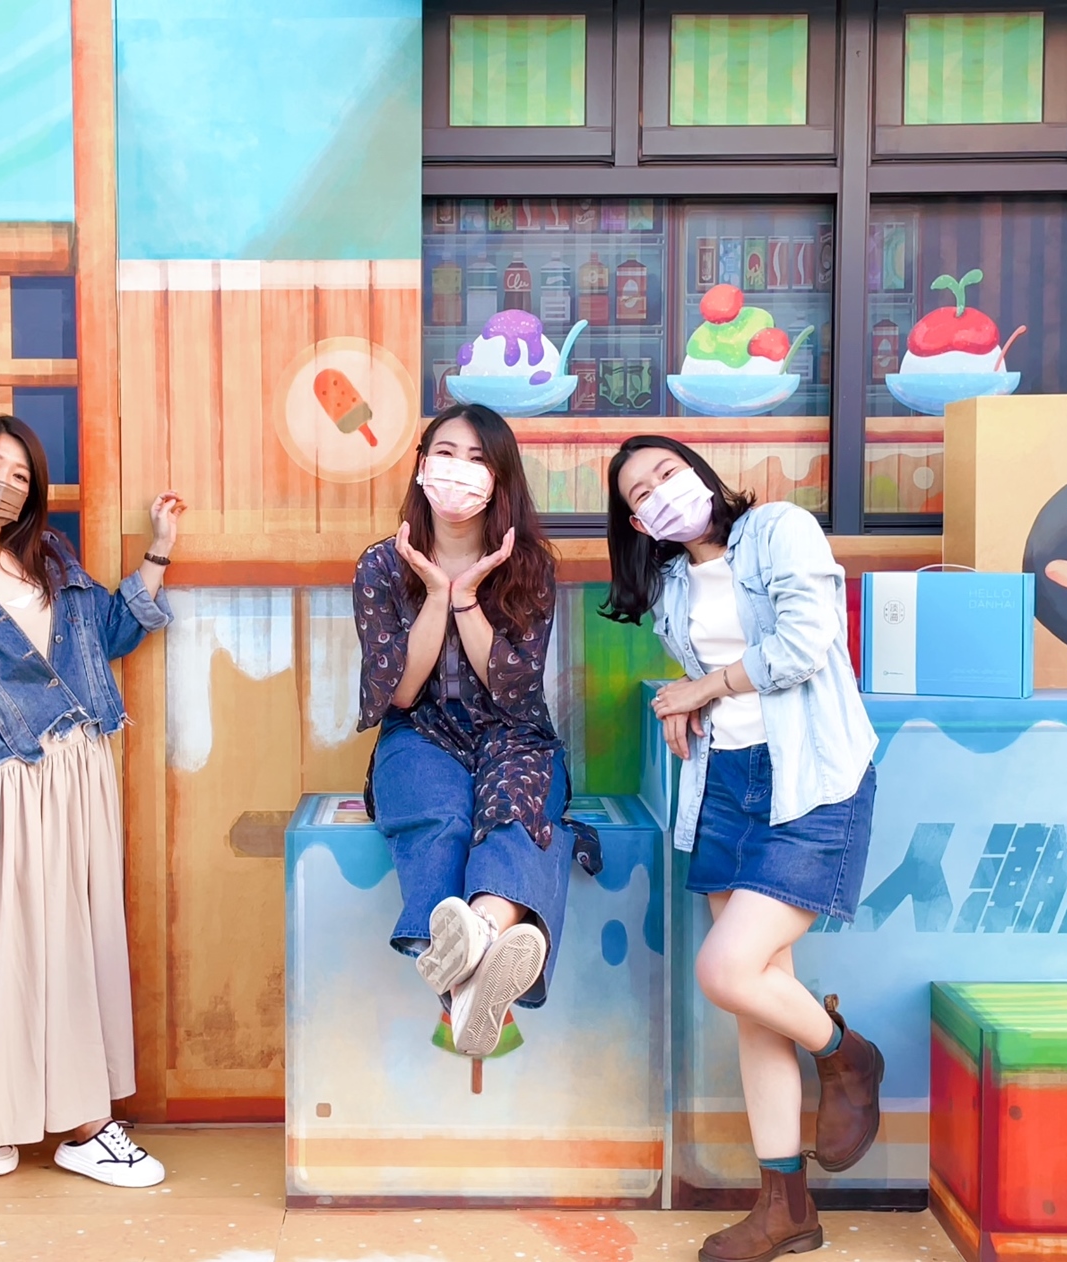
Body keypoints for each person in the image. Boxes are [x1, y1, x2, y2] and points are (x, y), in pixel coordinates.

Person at [602, 436, 883, 1262]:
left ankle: (849, 1056)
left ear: (699, 472)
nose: (660, 492)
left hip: (812, 780)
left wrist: (706, 686)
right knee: (757, 1000)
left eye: (667, 473)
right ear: (636, 523)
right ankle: (786, 1207)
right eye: (640, 493)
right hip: (725, 784)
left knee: (727, 970)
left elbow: (803, 643)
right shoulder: (670, 584)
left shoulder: (780, 529)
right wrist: (688, 698)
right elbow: (710, 666)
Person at [0, 412, 185, 1186]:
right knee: (4, 952)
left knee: (75, 944)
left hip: (81, 767)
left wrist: (158, 549)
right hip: (5, 779)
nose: (6, 484)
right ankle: (0, 1117)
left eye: (21, 475)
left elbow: (110, 632)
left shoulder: (49, 555)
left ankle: (81, 1126)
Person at [353, 403, 569, 1058]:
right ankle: (484, 957)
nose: (459, 470)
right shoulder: (381, 566)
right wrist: (435, 594)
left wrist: (468, 596)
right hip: (418, 729)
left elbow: (514, 691)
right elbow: (402, 691)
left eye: (478, 459)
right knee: (439, 813)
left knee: (516, 808)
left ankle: (473, 944)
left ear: (500, 481)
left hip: (513, 731)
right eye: (446, 453)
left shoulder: (529, 566)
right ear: (422, 466)